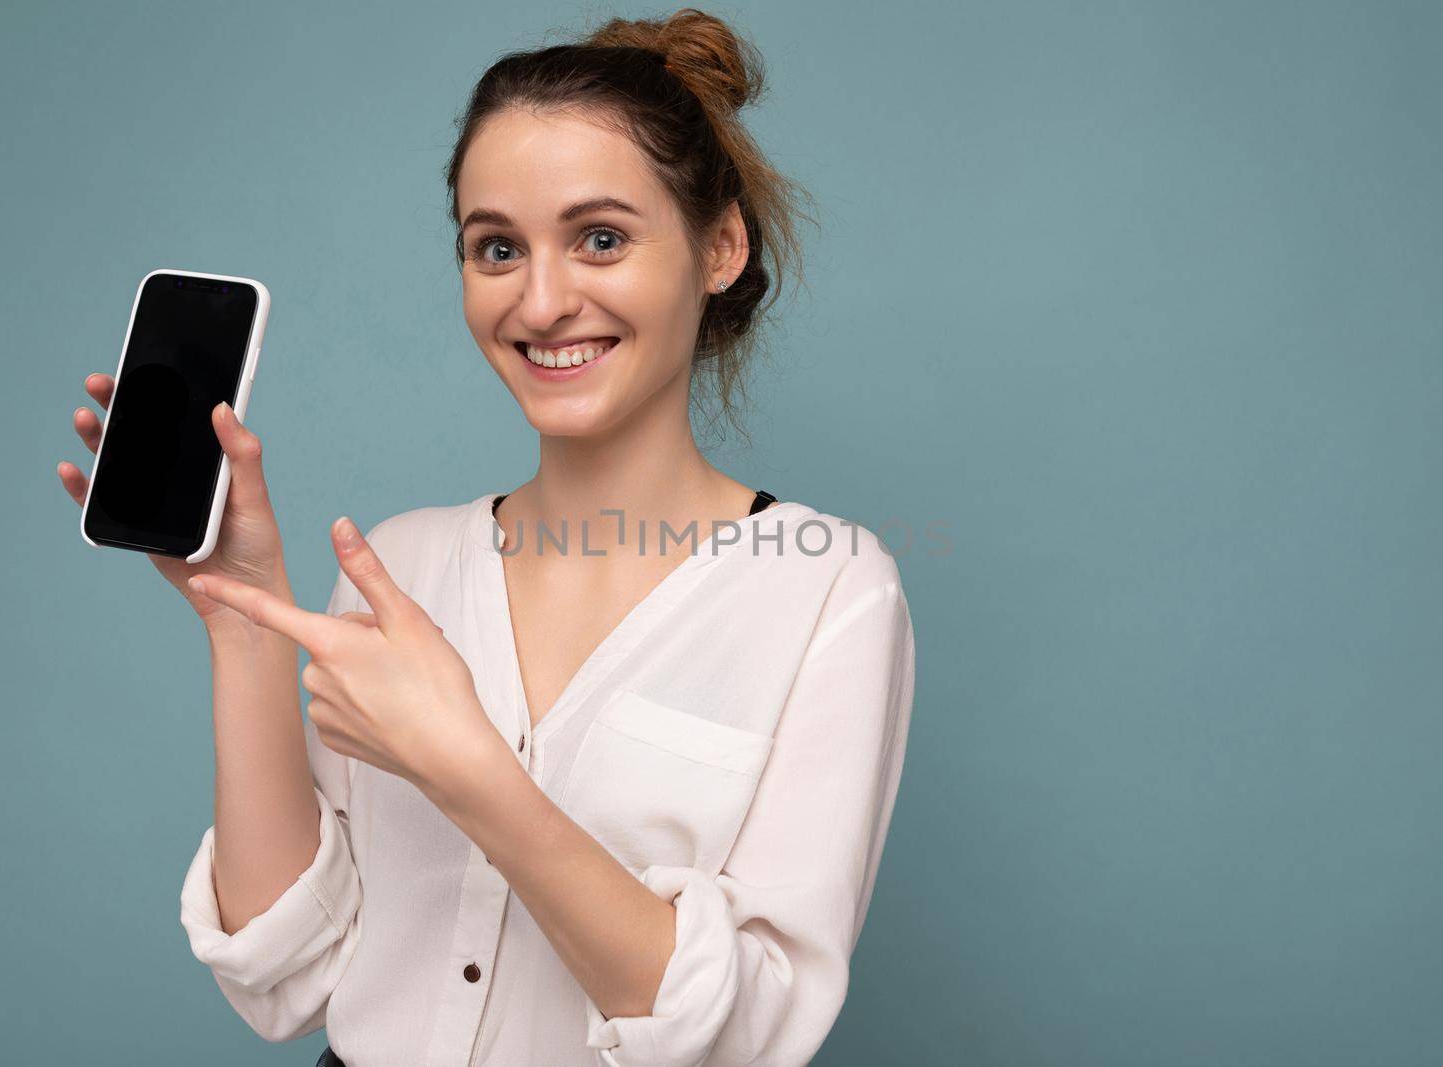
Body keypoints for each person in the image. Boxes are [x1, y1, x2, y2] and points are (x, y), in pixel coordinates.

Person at [57, 9, 915, 1066]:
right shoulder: (401, 562)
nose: (543, 301)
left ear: (719, 247)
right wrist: (240, 617)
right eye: (496, 247)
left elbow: (744, 1031)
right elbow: (291, 973)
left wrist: (468, 768)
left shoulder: (828, 588)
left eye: (600, 238)